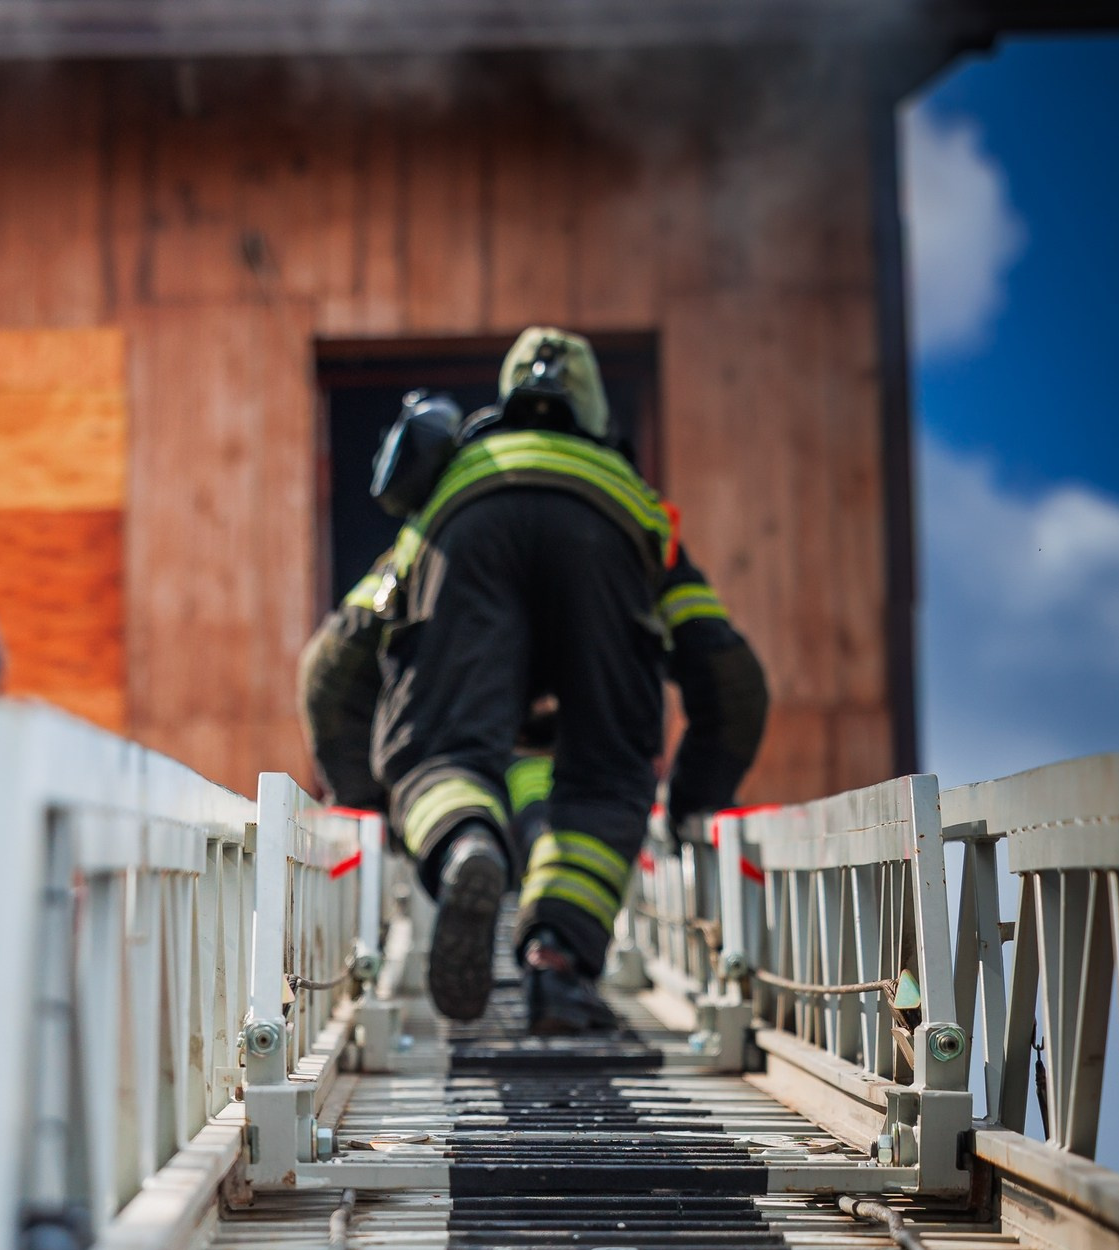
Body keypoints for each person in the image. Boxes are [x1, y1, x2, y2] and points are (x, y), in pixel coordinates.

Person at [297, 328, 769, 1033]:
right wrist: (692, 804)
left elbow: (332, 667)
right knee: (607, 778)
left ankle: (465, 843)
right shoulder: (639, 505)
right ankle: (555, 962)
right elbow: (729, 680)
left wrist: (375, 801)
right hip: (604, 549)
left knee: (438, 754)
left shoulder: (450, 489)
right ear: (595, 411)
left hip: (469, 536)